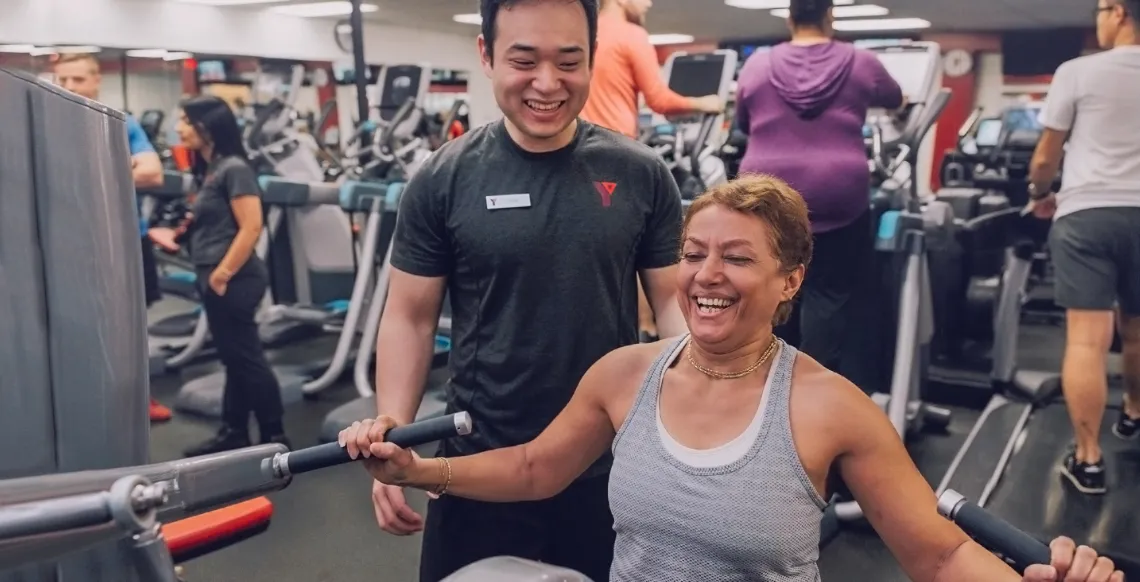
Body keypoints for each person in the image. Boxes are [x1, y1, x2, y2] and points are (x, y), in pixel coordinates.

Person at [342, 174, 1125, 582]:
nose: (706, 277)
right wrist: (419, 469)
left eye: (738, 258)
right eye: (693, 254)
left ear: (789, 280)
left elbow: (942, 556)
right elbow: (534, 467)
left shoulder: (829, 408)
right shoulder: (626, 373)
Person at [365, 0, 686, 579]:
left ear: (592, 57)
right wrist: (395, 426)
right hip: (477, 465)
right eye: (524, 60)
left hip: (608, 467)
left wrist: (690, 421)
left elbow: (671, 301)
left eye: (569, 61)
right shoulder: (443, 179)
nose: (547, 83)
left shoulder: (641, 173)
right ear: (486, 55)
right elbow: (409, 316)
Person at [732, 0, 905, 394]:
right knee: (828, 294)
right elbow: (895, 99)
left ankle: (758, 387)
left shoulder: (758, 64)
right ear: (830, 15)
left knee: (767, 287)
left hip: (766, 192)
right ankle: (805, 393)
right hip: (837, 195)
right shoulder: (861, 62)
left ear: (790, 17)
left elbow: (744, 123)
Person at [1027, 0, 1140, 495]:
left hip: (1088, 213)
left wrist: (1039, 194)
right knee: (1137, 333)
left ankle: (1089, 460)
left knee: (1087, 341)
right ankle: (1134, 414)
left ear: (1118, 12)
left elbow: (1046, 156)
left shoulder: (1078, 71)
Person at [581, 0, 723, 342]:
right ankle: (646, 332)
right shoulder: (631, 35)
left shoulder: (585, 31)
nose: (648, 2)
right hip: (615, 157)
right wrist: (708, 102)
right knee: (638, 246)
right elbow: (660, 100)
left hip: (577, 153)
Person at [53, 53, 172, 423]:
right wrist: (119, 167)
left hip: (121, 241)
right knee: (65, 323)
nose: (70, 87)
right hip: (66, 243)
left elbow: (152, 173)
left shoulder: (121, 124)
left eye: (77, 79)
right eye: (63, 80)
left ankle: (138, 398)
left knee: (130, 327)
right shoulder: (46, 123)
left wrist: (83, 172)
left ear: (95, 81)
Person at [170, 95, 291, 457]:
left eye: (187, 122)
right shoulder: (210, 169)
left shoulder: (234, 168)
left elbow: (252, 226)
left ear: (208, 127)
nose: (179, 128)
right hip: (215, 274)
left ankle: (276, 436)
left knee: (246, 357)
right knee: (234, 358)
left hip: (235, 278)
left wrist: (221, 274)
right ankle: (234, 430)